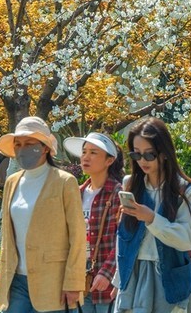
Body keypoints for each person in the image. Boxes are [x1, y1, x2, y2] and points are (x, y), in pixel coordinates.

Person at [0, 116, 87, 313]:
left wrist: (73, 282)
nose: (22, 148)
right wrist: (0, 279)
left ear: (45, 147)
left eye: (29, 143)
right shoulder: (12, 182)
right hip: (16, 280)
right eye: (18, 144)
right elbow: (7, 239)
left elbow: (78, 236)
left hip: (53, 282)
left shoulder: (64, 182)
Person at [115, 117, 191, 313]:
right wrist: (119, 278)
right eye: (136, 155)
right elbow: (123, 236)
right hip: (133, 274)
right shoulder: (130, 184)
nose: (142, 161)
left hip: (169, 280)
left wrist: (151, 218)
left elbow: (187, 239)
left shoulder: (186, 192)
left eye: (149, 155)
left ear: (164, 154)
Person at [64, 132, 123, 313]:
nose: (85, 157)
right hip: (79, 281)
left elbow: (123, 238)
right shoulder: (77, 193)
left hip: (106, 282)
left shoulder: (118, 193)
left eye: (93, 152)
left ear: (109, 160)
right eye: (84, 152)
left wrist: (108, 272)